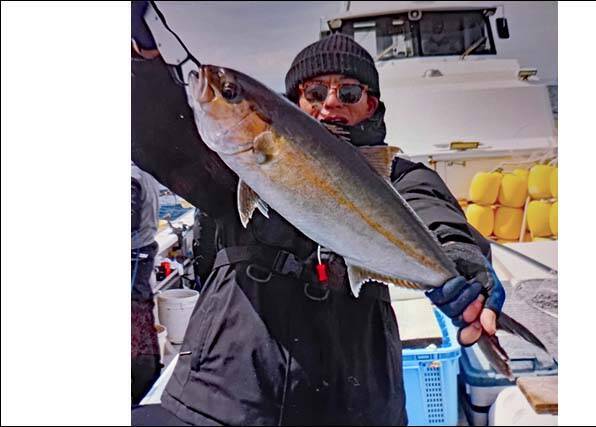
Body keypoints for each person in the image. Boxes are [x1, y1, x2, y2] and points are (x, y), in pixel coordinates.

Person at [131, 5, 504, 424]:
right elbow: (159, 136)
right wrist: (141, 57)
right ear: (293, 103)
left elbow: (434, 213)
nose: (330, 104)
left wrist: (460, 261)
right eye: (314, 93)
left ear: (371, 105)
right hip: (228, 394)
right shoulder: (233, 168)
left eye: (349, 93)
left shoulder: (396, 176)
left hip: (353, 401)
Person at [131, 162, 162, 404]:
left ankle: (142, 386)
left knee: (137, 321)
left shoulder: (131, 177)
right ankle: (149, 376)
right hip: (144, 251)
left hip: (134, 256)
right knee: (142, 316)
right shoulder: (146, 171)